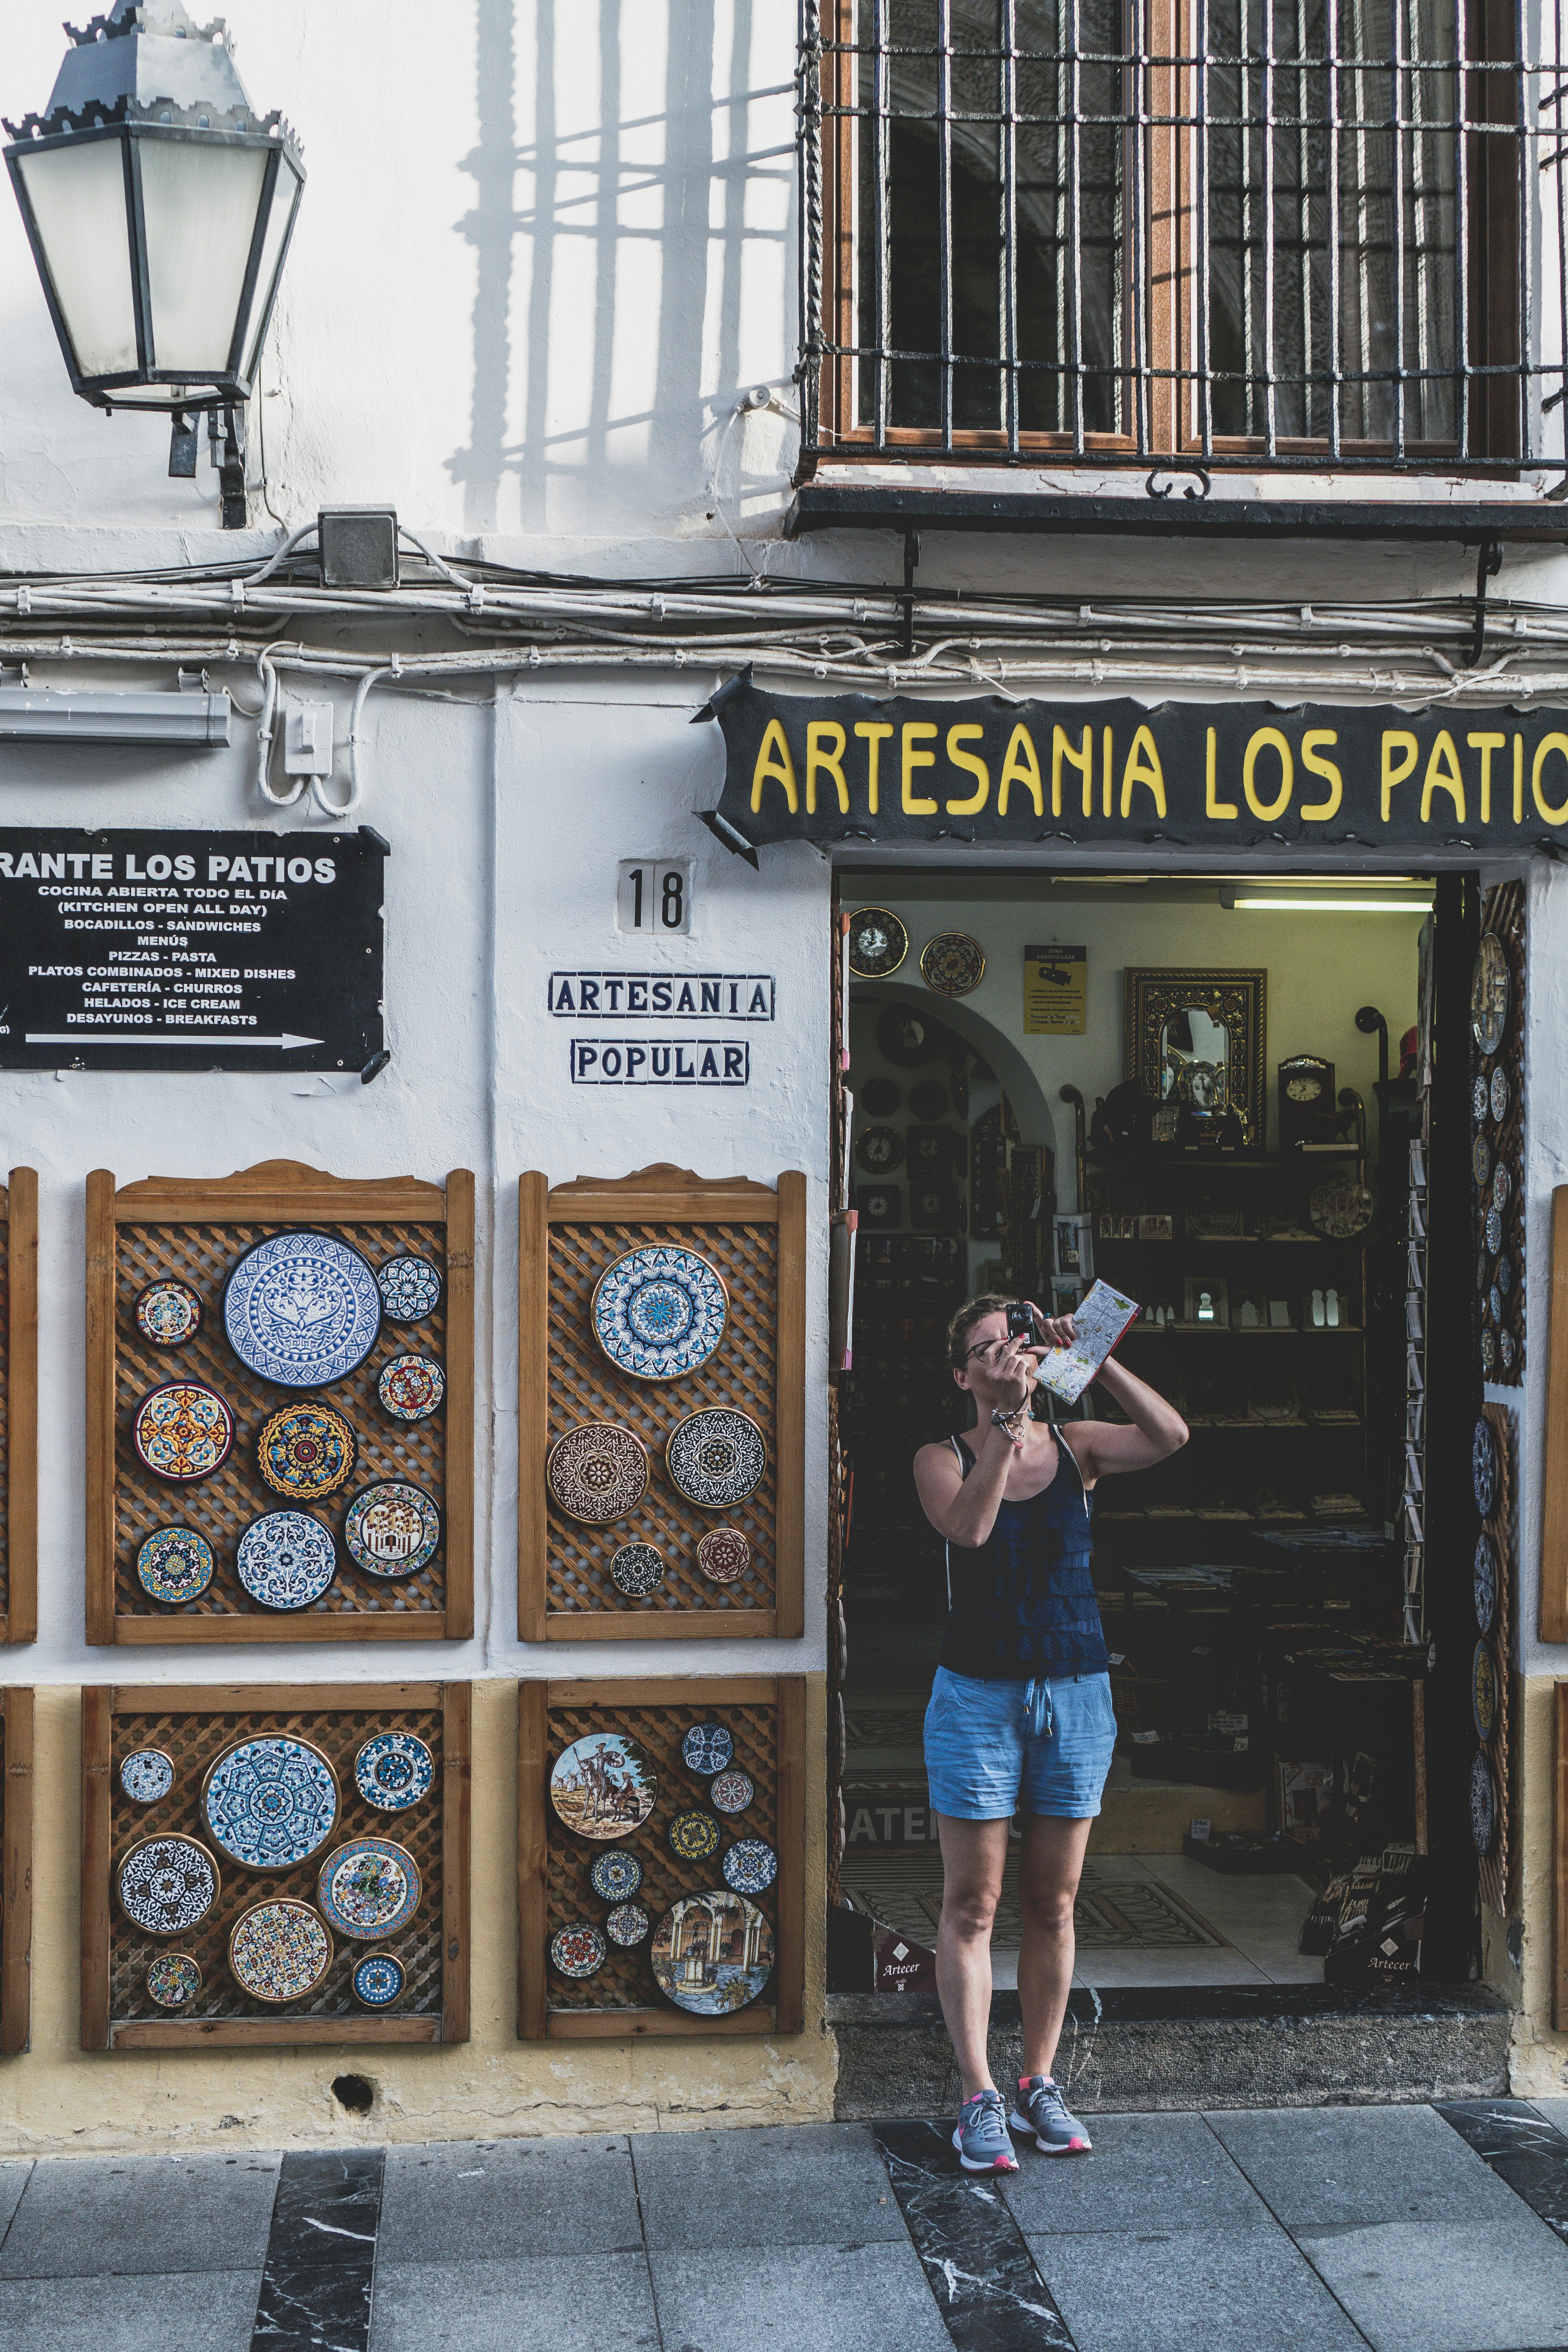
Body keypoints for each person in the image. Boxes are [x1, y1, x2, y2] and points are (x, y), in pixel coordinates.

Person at [912, 1294, 1189, 2173]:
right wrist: (1003, 1422)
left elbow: (1169, 1436)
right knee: (971, 1906)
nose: (1007, 1354)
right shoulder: (941, 1457)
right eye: (986, 1349)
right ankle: (975, 2095)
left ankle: (1037, 2080)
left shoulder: (1078, 1446)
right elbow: (971, 1528)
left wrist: (1093, 1355)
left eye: (1017, 1341)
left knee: (1053, 1903)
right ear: (962, 1373)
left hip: (1074, 1692)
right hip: (976, 1700)